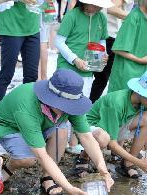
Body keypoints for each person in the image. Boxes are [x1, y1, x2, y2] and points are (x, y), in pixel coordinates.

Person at [0, 69, 113, 195]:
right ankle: (9, 167)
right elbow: (42, 156)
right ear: (51, 98)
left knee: (61, 131)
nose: (69, 109)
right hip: (10, 127)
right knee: (28, 159)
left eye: (71, 105)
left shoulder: (71, 100)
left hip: (43, 124)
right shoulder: (27, 106)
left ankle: (47, 177)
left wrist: (103, 169)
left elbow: (87, 137)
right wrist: (69, 188)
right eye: (65, 105)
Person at [87, 71, 147, 178]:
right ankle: (83, 157)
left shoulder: (143, 103)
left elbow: (146, 139)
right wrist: (139, 162)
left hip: (114, 127)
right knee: (103, 139)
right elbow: (112, 143)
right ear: (142, 92)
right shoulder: (116, 102)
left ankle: (128, 163)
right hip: (90, 130)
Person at [54, 0, 112, 155]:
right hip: (67, 68)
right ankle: (57, 140)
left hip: (88, 69)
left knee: (81, 105)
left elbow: (101, 39)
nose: (98, 7)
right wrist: (75, 59)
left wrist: (103, 53)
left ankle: (73, 143)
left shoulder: (101, 17)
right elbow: (59, 41)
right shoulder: (72, 16)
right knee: (63, 105)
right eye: (95, 4)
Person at [107, 0, 147, 94]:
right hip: (126, 72)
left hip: (144, 72)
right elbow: (118, 49)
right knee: (122, 101)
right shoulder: (134, 17)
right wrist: (140, 60)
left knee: (140, 101)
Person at [0, 0, 41, 112]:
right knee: (7, 73)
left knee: (32, 76)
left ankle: (27, 111)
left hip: (32, 26)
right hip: (11, 27)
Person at [89, 0, 134, 103]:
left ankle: (89, 107)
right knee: (94, 74)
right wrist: (135, 19)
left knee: (103, 78)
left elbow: (113, 6)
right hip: (101, 36)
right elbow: (109, 8)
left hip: (116, 38)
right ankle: (85, 107)